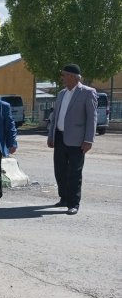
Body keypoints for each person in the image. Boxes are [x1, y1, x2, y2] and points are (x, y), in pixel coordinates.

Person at [47, 64, 97, 215]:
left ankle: (74, 203)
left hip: (77, 140)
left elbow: (92, 118)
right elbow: (55, 116)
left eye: (64, 75)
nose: (62, 78)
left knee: (74, 173)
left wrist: (89, 139)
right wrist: (51, 135)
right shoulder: (62, 93)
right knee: (59, 171)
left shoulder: (88, 92)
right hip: (60, 137)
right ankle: (64, 198)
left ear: (73, 77)